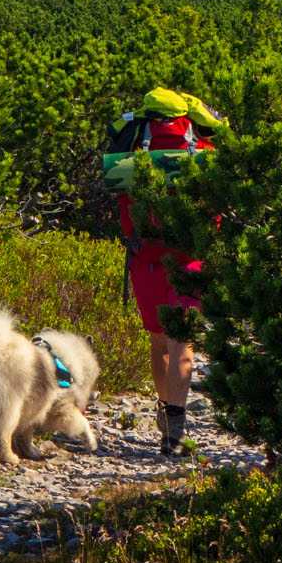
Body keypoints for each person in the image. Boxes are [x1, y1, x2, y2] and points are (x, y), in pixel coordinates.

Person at [103, 89, 223, 454]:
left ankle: (164, 409)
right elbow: (214, 212)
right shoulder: (202, 153)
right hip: (187, 259)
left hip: (146, 261)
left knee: (159, 340)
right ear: (187, 120)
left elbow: (126, 213)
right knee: (182, 343)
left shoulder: (133, 154)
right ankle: (175, 428)